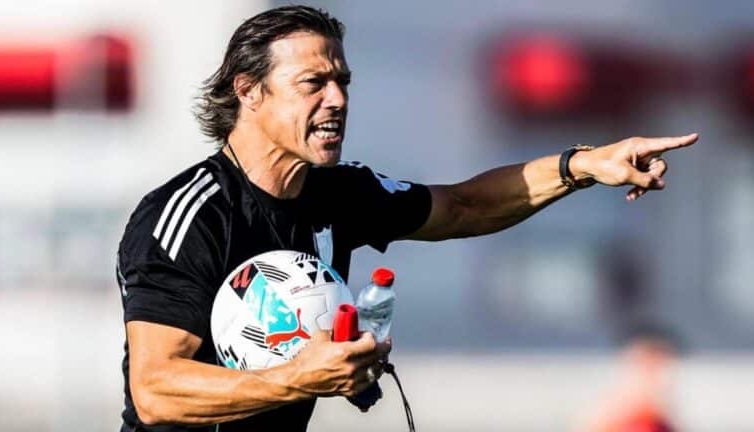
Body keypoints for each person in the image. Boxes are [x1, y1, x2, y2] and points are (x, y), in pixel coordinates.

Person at [116, 5, 697, 432]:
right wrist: (297, 378)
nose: (337, 99)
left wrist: (584, 165)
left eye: (342, 82)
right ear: (250, 91)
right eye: (313, 83)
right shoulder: (189, 216)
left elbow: (465, 206)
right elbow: (156, 389)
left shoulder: (339, 192)